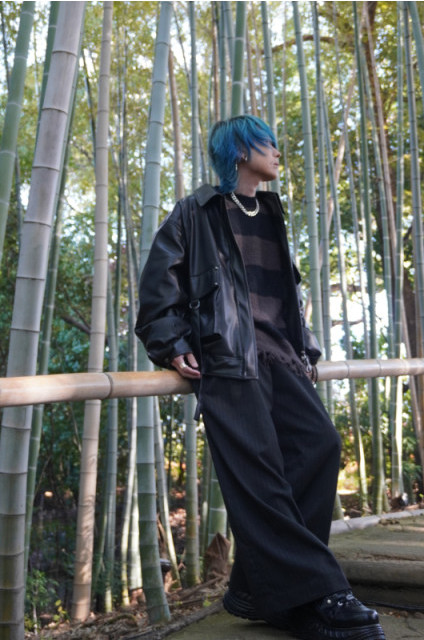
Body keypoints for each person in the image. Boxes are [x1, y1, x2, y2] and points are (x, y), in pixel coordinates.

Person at [135, 115, 385, 640]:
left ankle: (258, 588)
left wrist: (306, 345)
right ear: (240, 151)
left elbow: (284, 295)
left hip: (282, 357)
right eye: (266, 142)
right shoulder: (195, 212)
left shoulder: (270, 212)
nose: (276, 150)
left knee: (320, 446)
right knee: (262, 477)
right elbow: (158, 290)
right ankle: (321, 593)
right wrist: (173, 344)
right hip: (228, 360)